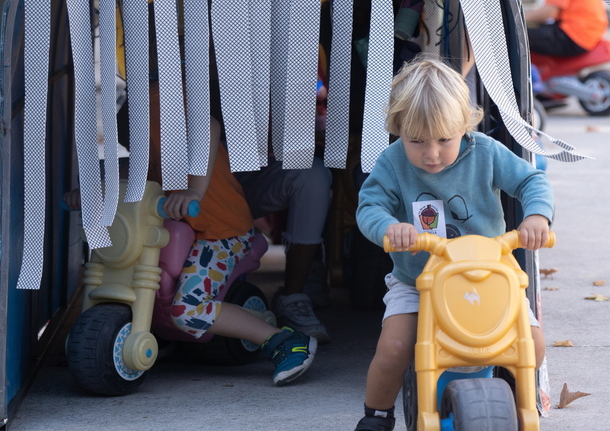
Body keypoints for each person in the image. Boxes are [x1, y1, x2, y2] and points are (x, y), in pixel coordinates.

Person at [64, 80, 316, 387]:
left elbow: (208, 127)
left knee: (187, 309)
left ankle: (283, 340)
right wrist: (93, 192)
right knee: (122, 270)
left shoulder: (163, 96)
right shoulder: (138, 121)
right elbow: (132, 171)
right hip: (177, 233)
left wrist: (194, 191)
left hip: (220, 233)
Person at [353, 56, 554, 431]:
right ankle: (377, 416)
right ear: (397, 131)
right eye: (416, 141)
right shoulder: (393, 162)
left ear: (465, 125)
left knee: (533, 345)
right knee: (394, 348)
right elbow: (370, 206)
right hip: (418, 283)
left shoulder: (486, 152)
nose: (431, 154)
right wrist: (390, 228)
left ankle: (511, 394)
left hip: (489, 277)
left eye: (445, 140)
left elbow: (532, 181)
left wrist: (536, 217)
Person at [233, 77, 333, 344]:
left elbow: (319, 93)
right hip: (199, 178)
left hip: (259, 171)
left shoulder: (288, 53)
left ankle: (293, 296)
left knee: (313, 175)